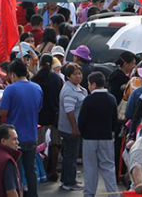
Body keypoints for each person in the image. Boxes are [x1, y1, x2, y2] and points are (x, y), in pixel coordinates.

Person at [0, 59, 43, 197]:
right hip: (32, 135)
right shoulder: (37, 88)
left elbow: (3, 112)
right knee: (31, 169)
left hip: (14, 138)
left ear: (13, 74)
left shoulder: (10, 89)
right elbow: (39, 107)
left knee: (15, 171)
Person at [77, 71, 118, 197]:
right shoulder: (111, 99)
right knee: (108, 167)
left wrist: (83, 133)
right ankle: (113, 193)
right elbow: (114, 120)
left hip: (89, 137)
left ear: (93, 84)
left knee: (90, 168)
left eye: (89, 84)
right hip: (106, 137)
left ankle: (89, 193)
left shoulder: (88, 100)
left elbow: (81, 120)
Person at [58, 63, 88, 191]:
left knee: (70, 155)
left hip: (74, 128)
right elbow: (69, 111)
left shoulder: (77, 88)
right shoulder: (69, 91)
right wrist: (74, 128)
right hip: (70, 129)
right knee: (71, 156)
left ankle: (67, 179)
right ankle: (69, 182)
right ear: (68, 76)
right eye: (75, 74)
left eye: (80, 73)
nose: (78, 76)